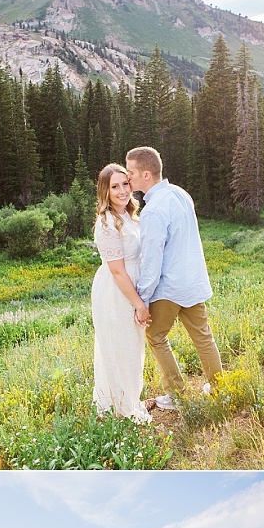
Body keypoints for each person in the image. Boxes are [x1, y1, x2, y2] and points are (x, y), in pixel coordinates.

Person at [125, 145, 223, 411]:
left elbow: (152, 260)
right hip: (192, 281)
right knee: (203, 336)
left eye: (131, 172)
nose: (127, 177)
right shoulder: (180, 194)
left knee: (156, 336)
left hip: (169, 287)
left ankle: (177, 395)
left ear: (146, 174)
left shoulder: (154, 210)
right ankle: (220, 388)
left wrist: (142, 300)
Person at [91, 163, 154, 422]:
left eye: (124, 184)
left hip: (130, 285)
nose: (121, 191)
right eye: (114, 186)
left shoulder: (129, 216)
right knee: (121, 345)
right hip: (117, 291)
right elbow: (117, 270)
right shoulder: (107, 223)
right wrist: (138, 303)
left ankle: (128, 397)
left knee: (131, 346)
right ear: (105, 191)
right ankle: (125, 405)